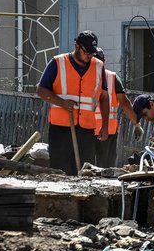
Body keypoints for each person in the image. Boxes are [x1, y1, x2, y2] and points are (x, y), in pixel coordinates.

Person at [36, 31, 109, 175]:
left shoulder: (98, 66)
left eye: (91, 53)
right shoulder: (58, 63)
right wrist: (61, 103)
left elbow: (104, 97)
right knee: (60, 169)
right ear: (77, 47)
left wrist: (105, 126)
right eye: (86, 52)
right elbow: (41, 90)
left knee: (86, 171)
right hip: (61, 129)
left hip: (86, 129)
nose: (89, 56)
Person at [93, 48, 143, 168]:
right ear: (103, 61)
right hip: (108, 131)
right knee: (106, 167)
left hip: (86, 128)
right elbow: (125, 103)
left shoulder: (82, 75)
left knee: (86, 165)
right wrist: (136, 124)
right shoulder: (112, 77)